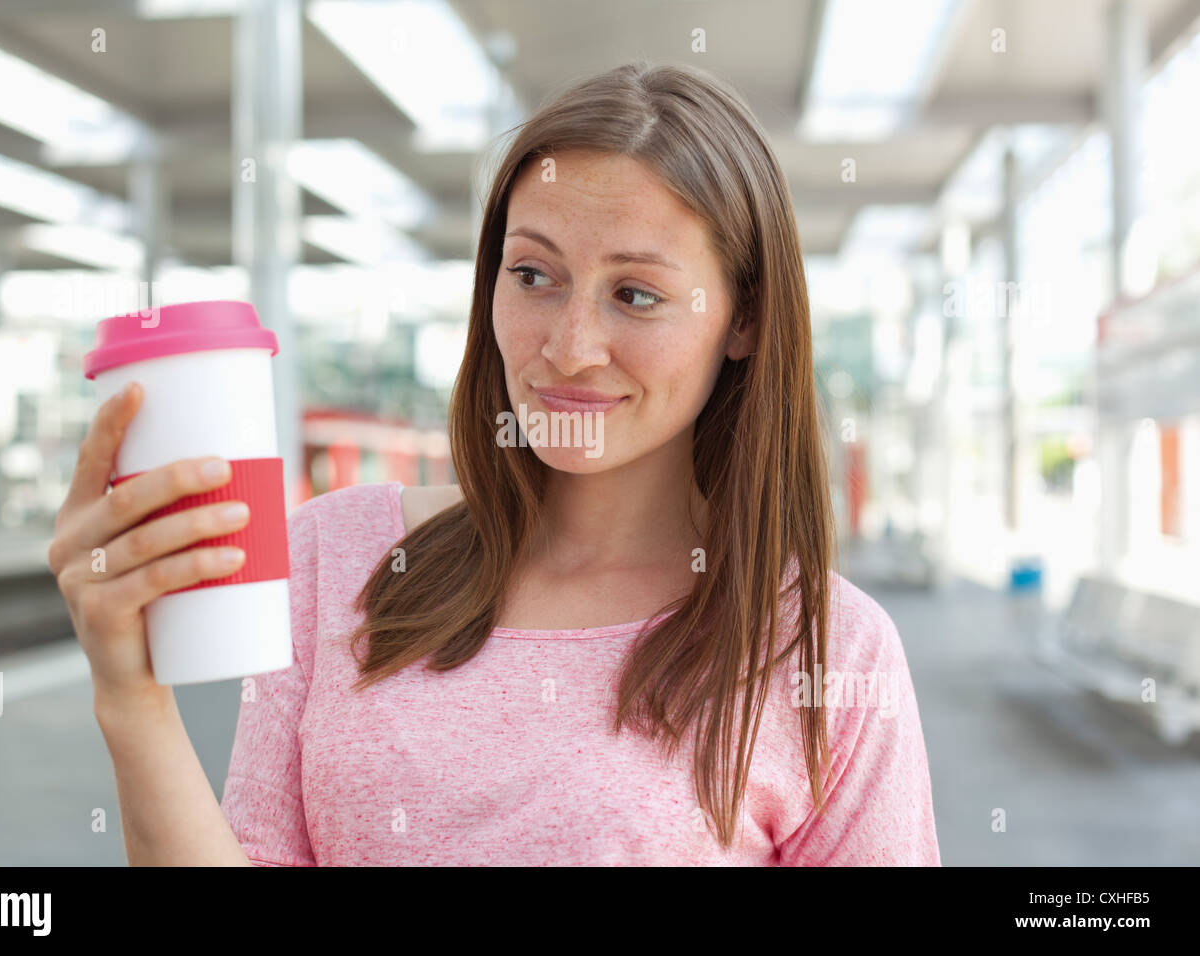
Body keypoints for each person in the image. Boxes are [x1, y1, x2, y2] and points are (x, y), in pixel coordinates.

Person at [49, 60, 940, 865]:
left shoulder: (825, 648)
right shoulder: (332, 559)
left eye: (636, 294)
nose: (569, 346)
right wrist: (131, 699)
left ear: (743, 321)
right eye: (533, 276)